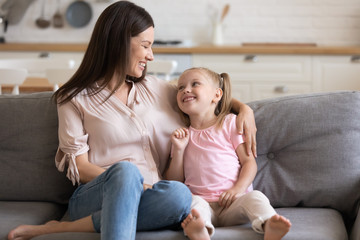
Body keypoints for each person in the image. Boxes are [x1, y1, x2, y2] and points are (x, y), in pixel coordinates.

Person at [7, 2, 258, 240]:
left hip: (154, 197)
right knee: (126, 173)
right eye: (146, 45)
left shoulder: (154, 88)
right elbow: (81, 168)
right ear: (119, 43)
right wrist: (140, 185)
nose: (150, 56)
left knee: (180, 194)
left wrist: (242, 108)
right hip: (97, 194)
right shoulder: (73, 99)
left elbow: (201, 96)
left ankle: (60, 229)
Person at [166, 67, 292, 240]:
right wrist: (179, 149)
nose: (186, 89)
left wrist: (237, 190)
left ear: (217, 95)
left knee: (256, 197)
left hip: (233, 203)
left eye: (195, 84)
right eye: (180, 87)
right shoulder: (183, 135)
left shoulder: (230, 123)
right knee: (194, 204)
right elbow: (174, 182)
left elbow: (249, 163)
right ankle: (200, 231)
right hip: (203, 204)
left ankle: (268, 224)